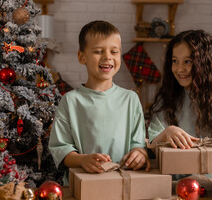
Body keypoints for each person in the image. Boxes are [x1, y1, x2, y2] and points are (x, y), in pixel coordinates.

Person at [49, 20, 150, 185]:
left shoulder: (130, 99)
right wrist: (82, 160)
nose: (107, 57)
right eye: (98, 51)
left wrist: (139, 153)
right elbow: (60, 148)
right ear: (82, 57)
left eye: (114, 51)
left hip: (122, 183)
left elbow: (138, 144)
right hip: (82, 186)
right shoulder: (70, 101)